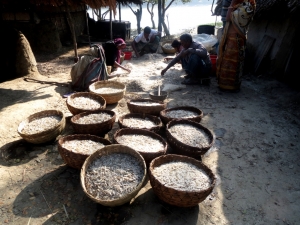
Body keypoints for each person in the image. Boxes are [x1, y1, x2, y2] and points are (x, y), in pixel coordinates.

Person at [216, 0, 256, 91]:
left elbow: (228, 18)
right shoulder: (239, 5)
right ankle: (223, 84)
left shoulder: (247, 7)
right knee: (226, 60)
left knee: (234, 62)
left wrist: (232, 4)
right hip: (230, 37)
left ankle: (232, 86)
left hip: (236, 38)